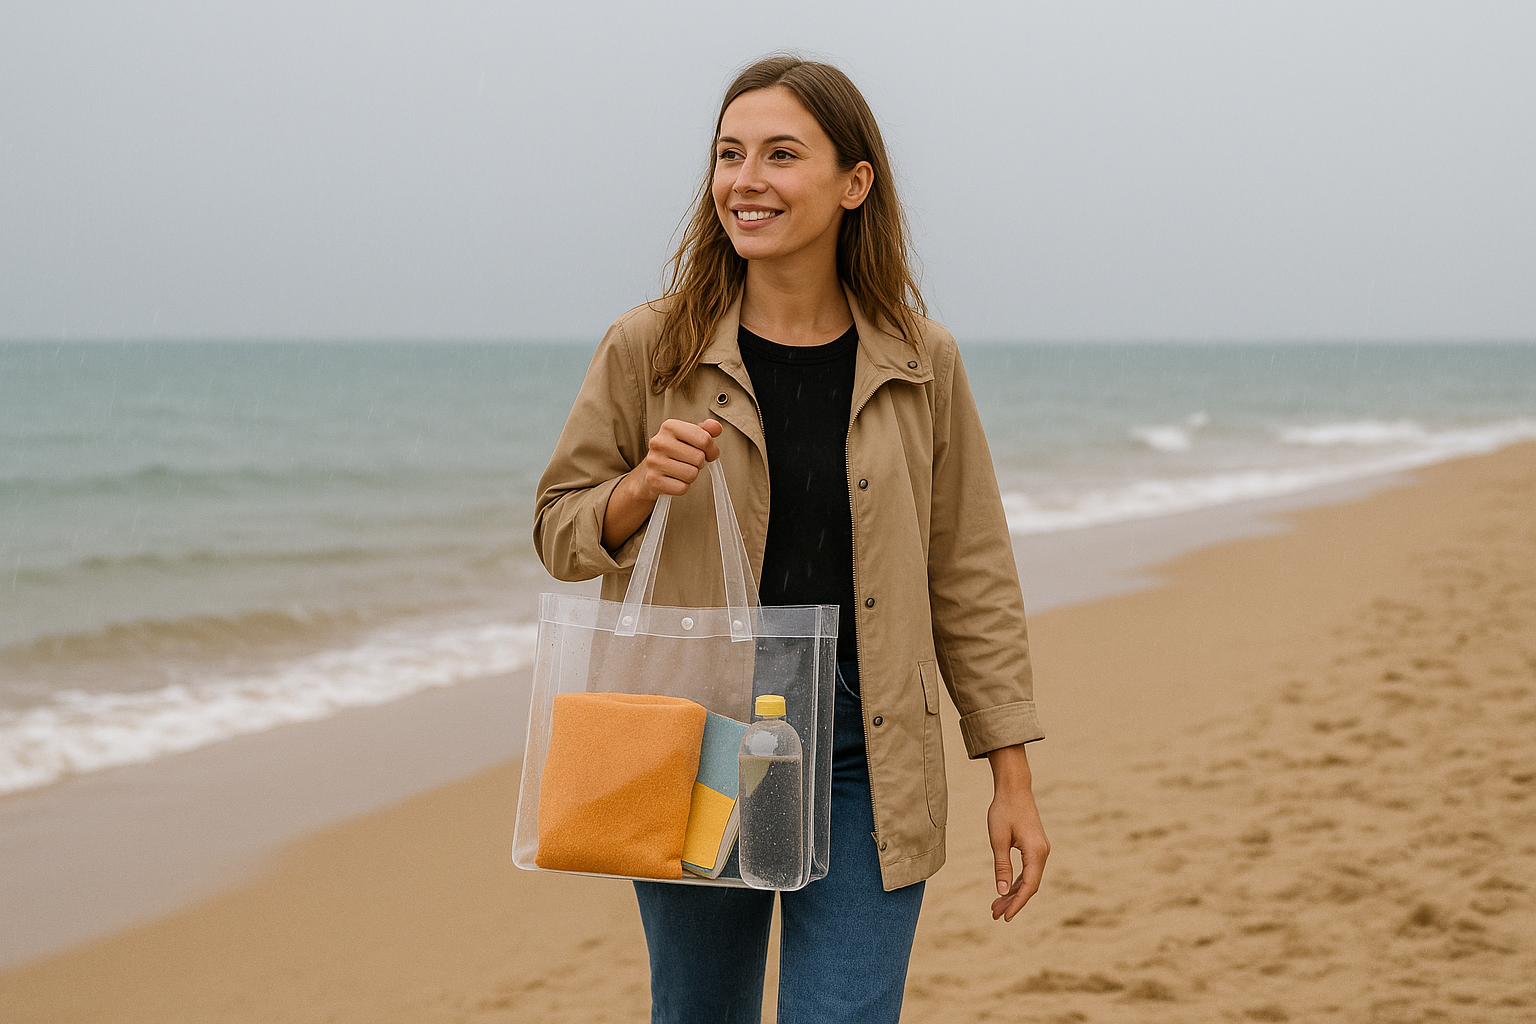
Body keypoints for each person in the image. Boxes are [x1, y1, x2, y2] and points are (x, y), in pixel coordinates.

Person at [534, 54, 1049, 1024]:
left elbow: (970, 571)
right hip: (698, 735)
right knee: (700, 1012)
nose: (745, 180)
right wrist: (640, 485)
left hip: (869, 747)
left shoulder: (920, 359)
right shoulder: (651, 349)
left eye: (780, 154)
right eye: (729, 155)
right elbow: (559, 530)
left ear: (855, 184)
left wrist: (1010, 776)